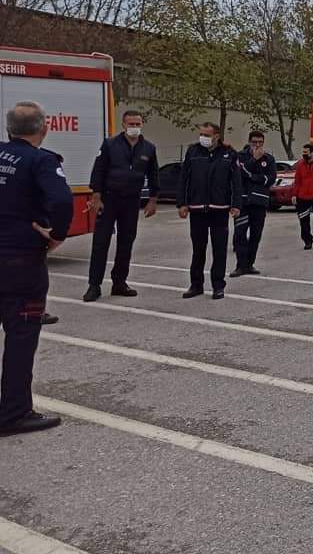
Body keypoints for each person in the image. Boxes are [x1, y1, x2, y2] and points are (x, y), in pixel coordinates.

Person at [0, 101, 73, 436]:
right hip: (20, 263)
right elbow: (60, 201)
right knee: (21, 336)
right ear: (44, 129)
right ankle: (14, 413)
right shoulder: (41, 161)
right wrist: (56, 236)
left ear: (8, 129)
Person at [83, 109, 159, 302]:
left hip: (131, 201)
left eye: (138, 124)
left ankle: (119, 283)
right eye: (131, 124)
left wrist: (153, 200)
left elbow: (153, 175)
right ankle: (94, 285)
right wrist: (96, 197)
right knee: (101, 243)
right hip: (108, 199)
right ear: (123, 125)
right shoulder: (110, 144)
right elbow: (98, 170)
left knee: (126, 242)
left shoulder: (149, 148)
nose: (134, 127)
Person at [177, 122, 242, 300]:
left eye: (207, 134)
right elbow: (183, 178)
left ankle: (218, 286)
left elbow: (236, 181)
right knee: (198, 249)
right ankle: (196, 285)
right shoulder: (193, 152)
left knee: (219, 250)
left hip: (219, 209)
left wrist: (236, 204)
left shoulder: (229, 153)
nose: (203, 137)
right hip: (197, 208)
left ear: (216, 136)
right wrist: (181, 203)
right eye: (201, 134)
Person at [231, 130, 276, 277]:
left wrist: (251, 175)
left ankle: (249, 264)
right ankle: (240, 265)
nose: (257, 145)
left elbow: (269, 179)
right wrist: (253, 162)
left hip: (260, 202)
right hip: (243, 201)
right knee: (240, 234)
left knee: (256, 235)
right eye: (255, 142)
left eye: (260, 142)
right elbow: (239, 174)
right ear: (250, 142)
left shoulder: (269, 159)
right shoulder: (240, 156)